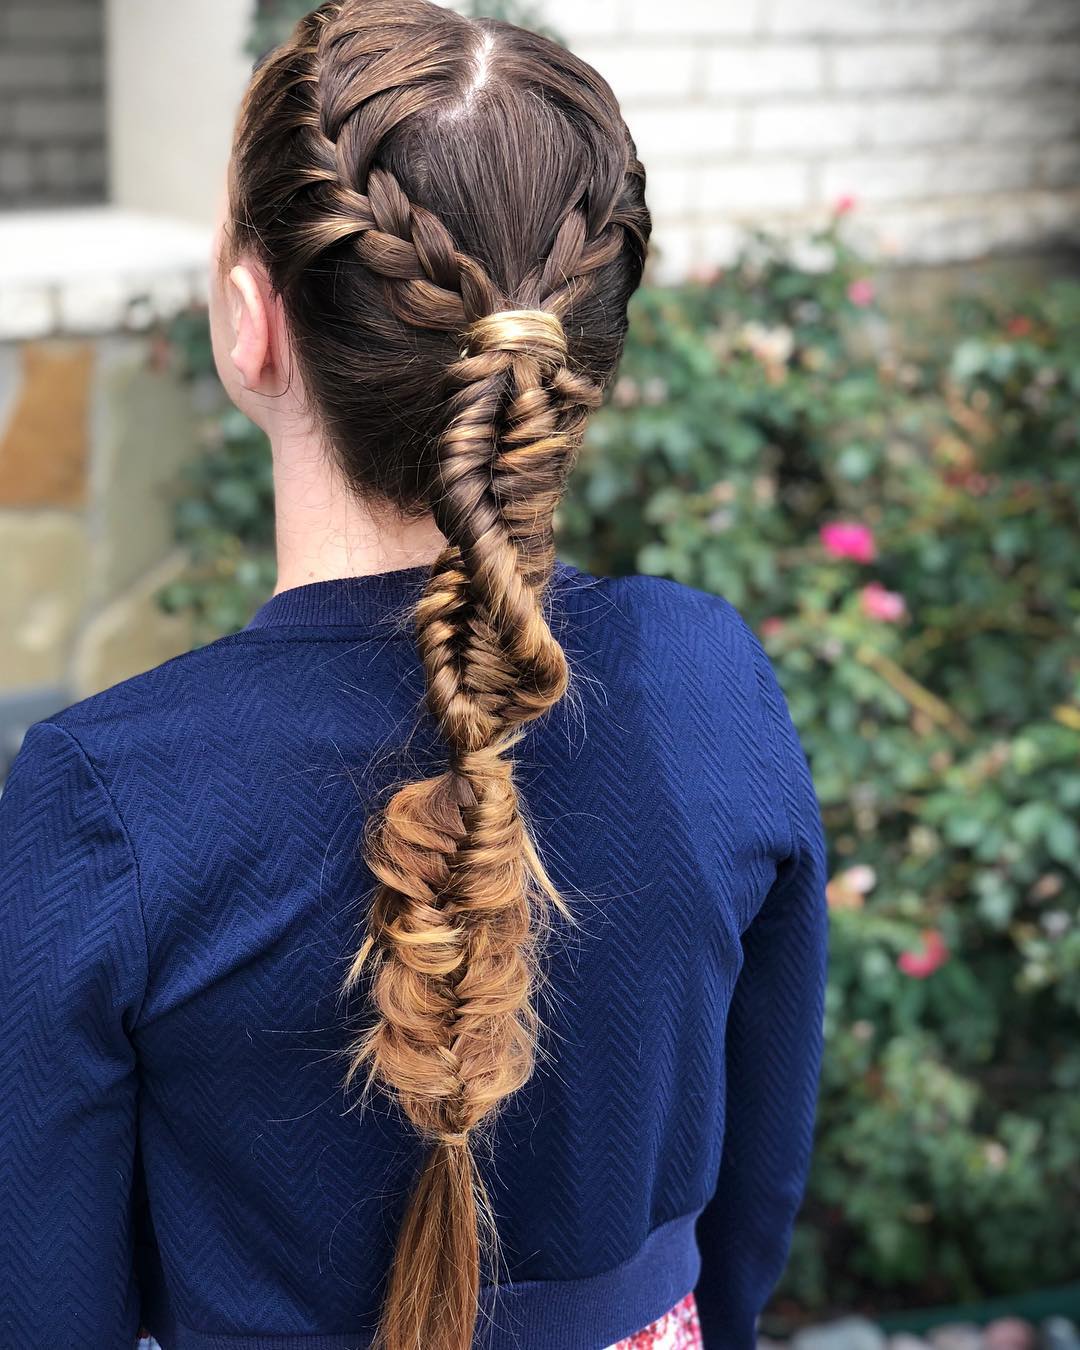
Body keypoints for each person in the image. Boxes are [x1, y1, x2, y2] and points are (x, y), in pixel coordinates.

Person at [0, 3, 829, 1347]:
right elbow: (757, 1188)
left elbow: (43, 1300)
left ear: (248, 318)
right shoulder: (705, 683)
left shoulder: (107, 801)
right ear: (580, 353)